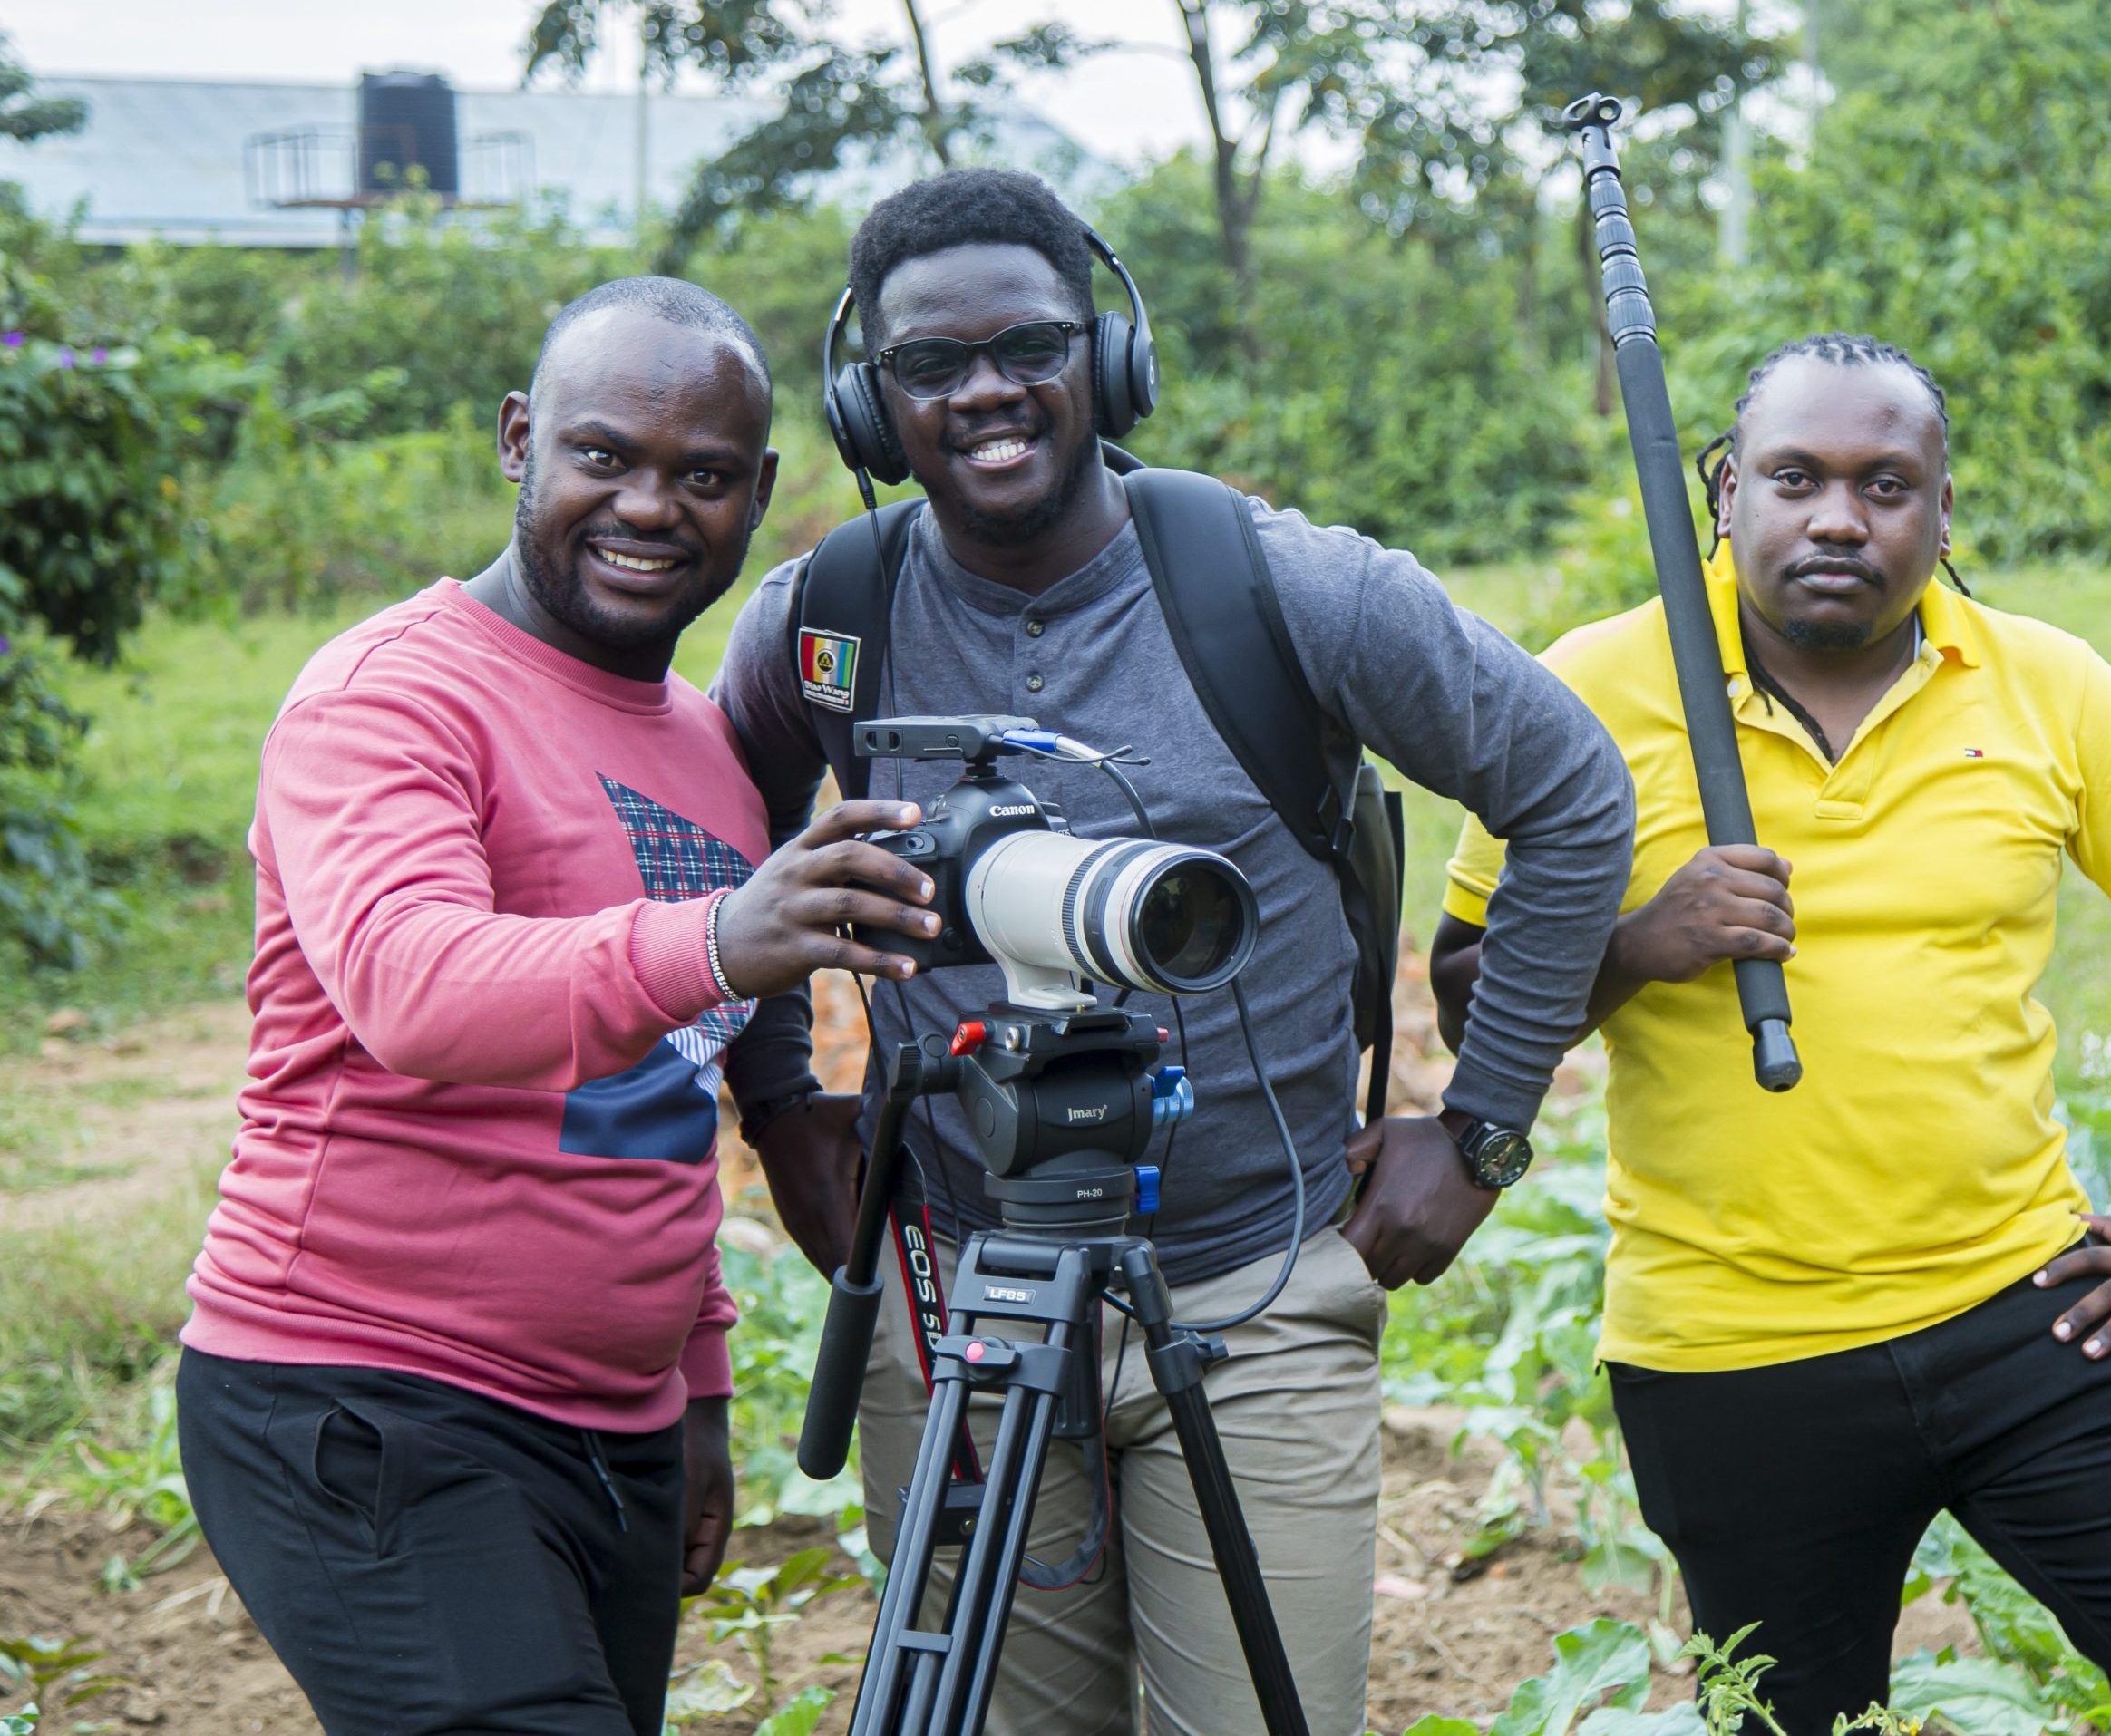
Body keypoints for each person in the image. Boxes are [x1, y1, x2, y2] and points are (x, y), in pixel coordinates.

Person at [712, 168, 1636, 1736]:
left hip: (1254, 1289)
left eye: (1032, 345)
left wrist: (1481, 1132)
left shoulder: (1286, 587)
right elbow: (721, 852)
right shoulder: (827, 620)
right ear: (874, 404)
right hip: (954, 1294)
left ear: (1110, 357)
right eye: (932, 364)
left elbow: (1571, 790)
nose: (988, 391)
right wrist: (785, 1105)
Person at [1433, 333, 2111, 1735]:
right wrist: (1638, 944)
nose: (1839, 517)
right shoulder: (1591, 691)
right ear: (1725, 493)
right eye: (1796, 477)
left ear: (1942, 511)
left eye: (1886, 484)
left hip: (2032, 1304)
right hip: (1732, 1352)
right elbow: (1463, 997)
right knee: (1796, 1720)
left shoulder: (2044, 683)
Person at [175, 277, 948, 1736]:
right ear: (521, 441)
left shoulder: (716, 757)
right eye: (605, 456)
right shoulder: (393, 697)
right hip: (366, 1396)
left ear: (757, 492)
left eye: (702, 475)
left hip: (614, 1430)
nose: (650, 506)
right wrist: (721, 937)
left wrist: (697, 1391)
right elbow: (414, 985)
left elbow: (663, 1102)